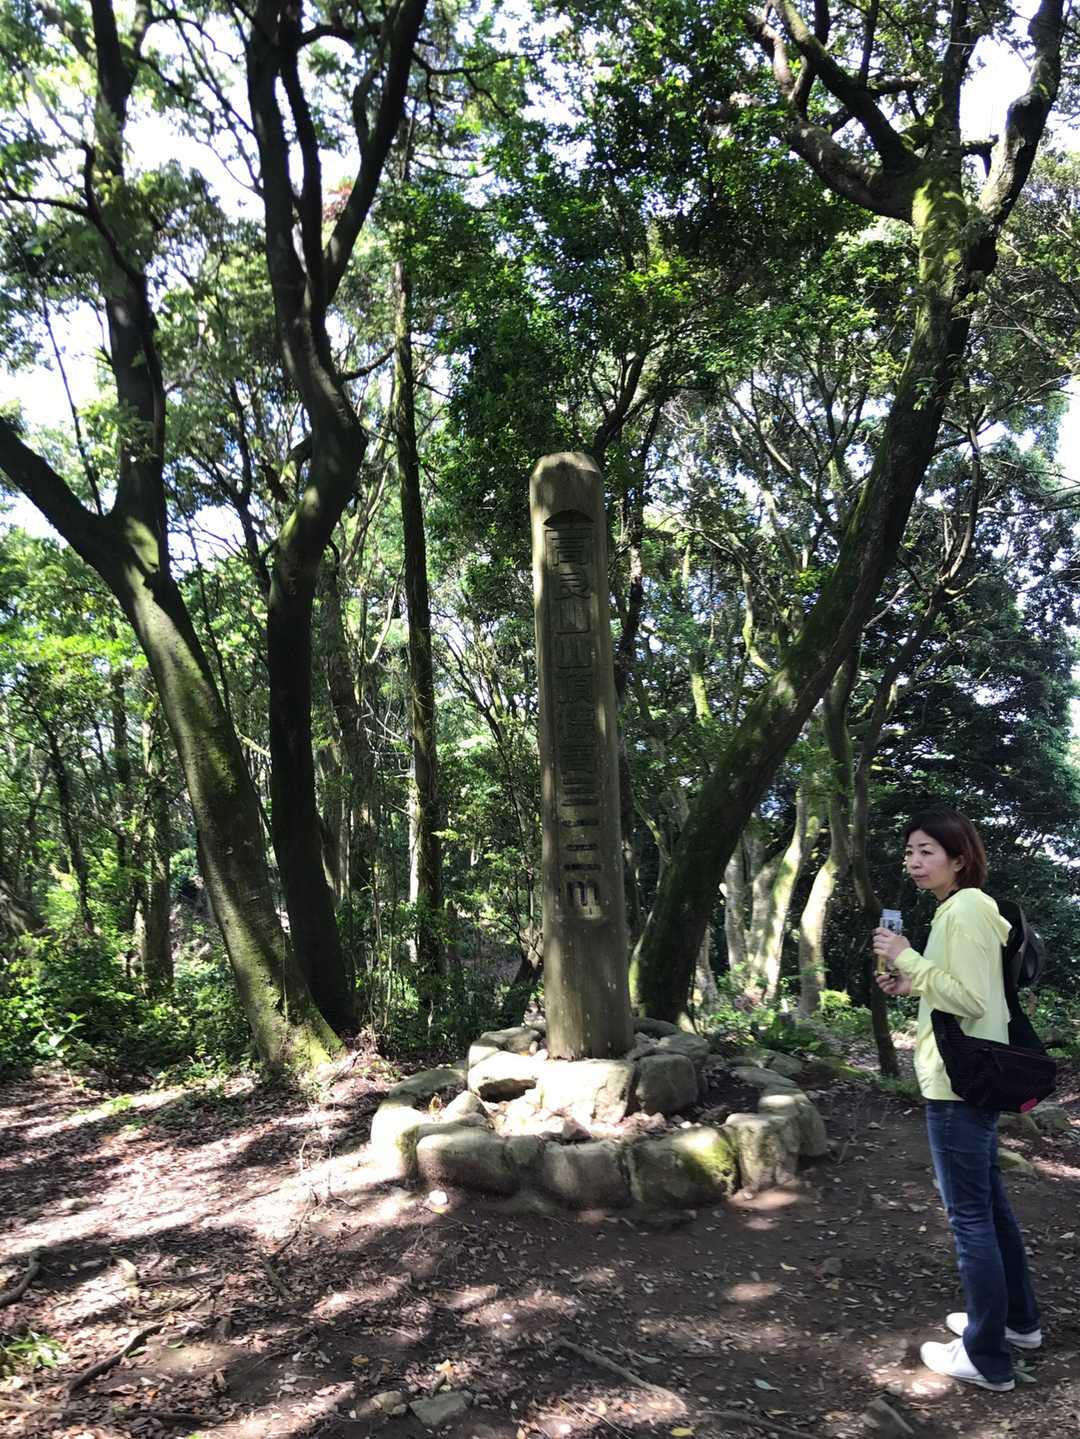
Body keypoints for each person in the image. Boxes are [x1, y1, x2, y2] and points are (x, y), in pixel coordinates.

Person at [872, 806, 1041, 1393]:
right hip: (975, 1076)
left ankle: (986, 1357)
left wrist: (906, 956)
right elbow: (961, 992)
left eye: (927, 851)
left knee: (970, 1219)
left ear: (959, 858)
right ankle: (1017, 1322)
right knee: (989, 1209)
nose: (913, 862)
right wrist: (911, 980)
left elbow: (969, 1001)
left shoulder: (963, 909)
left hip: (957, 1083)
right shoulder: (967, 909)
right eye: (909, 851)